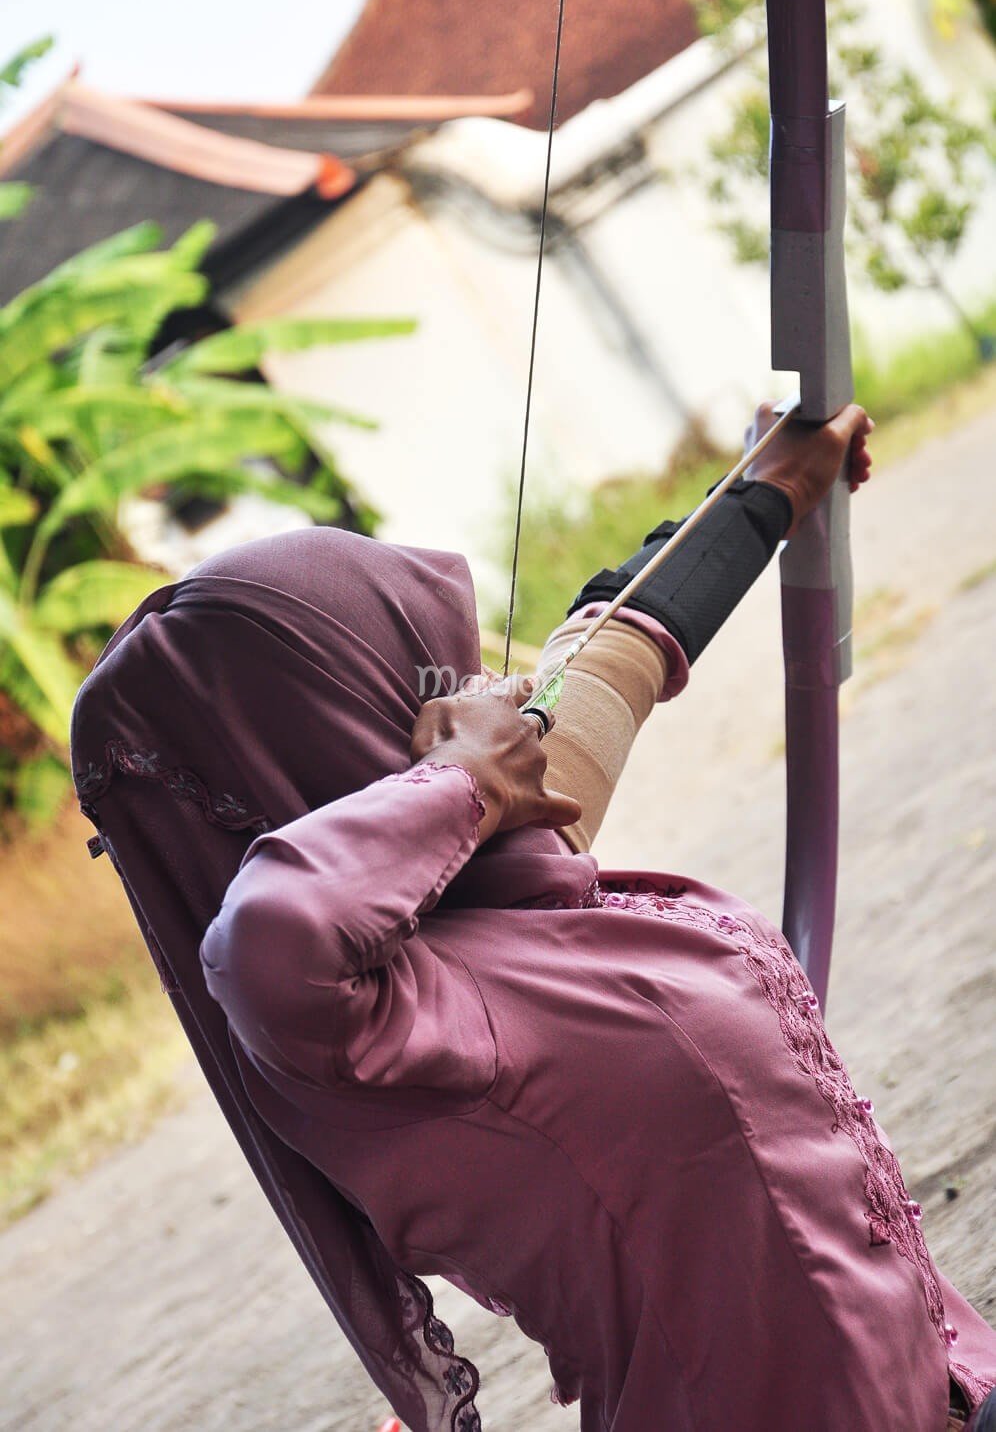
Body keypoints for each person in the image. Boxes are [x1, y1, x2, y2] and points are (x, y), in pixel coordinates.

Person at [70, 405, 995, 1432]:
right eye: (415, 662)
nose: (478, 688)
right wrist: (458, 782)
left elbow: (618, 643)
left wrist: (769, 483)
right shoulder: (364, 1024)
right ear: (336, 722)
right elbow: (270, 942)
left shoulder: (502, 861)